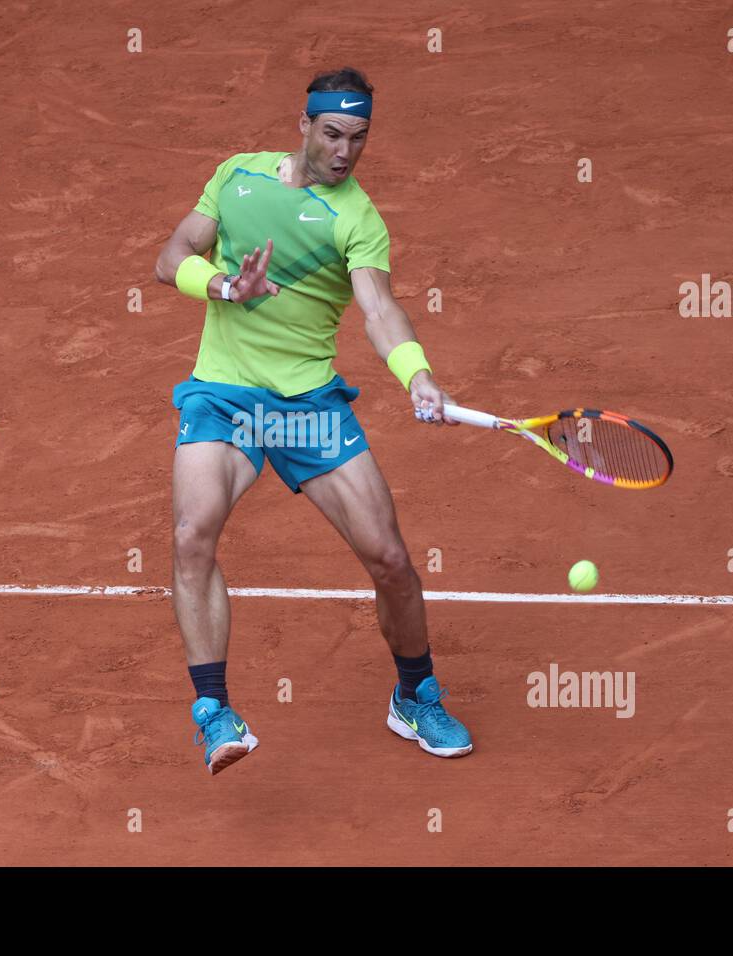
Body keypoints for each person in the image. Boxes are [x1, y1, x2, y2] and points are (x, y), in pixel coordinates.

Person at [153, 66, 473, 775]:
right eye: (332, 133)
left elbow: (381, 310)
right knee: (191, 532)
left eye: (358, 138)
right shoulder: (236, 178)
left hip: (307, 408)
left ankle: (415, 694)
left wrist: (415, 373)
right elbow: (169, 256)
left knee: (390, 560)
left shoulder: (356, 217)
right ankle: (213, 711)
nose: (344, 151)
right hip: (225, 396)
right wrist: (223, 285)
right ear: (302, 125)